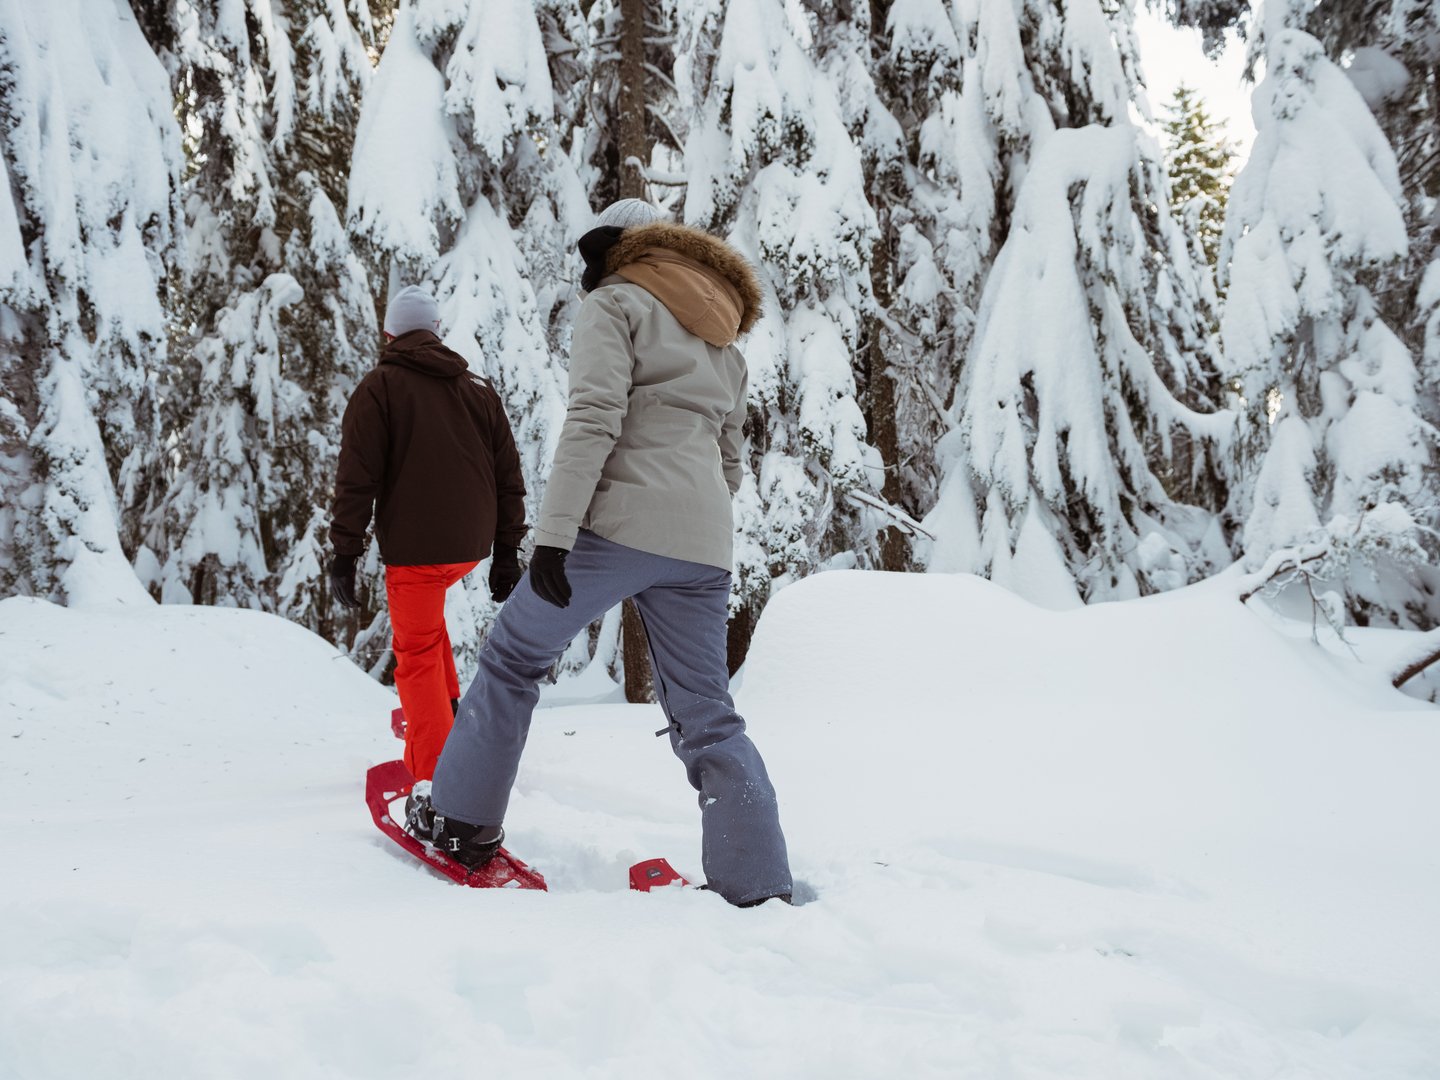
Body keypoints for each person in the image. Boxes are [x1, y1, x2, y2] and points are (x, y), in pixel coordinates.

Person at [414, 200, 793, 907]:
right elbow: (730, 462)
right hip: (704, 544)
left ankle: (461, 825)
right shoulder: (723, 341)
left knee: (514, 657)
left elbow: (593, 419)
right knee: (709, 713)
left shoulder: (617, 305)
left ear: (623, 250)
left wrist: (554, 536)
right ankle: (758, 881)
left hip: (615, 528)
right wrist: (690, 519)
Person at [330, 285, 527, 786]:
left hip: (418, 551)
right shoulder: (478, 389)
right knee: (427, 630)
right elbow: (508, 475)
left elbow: (358, 477)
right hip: (470, 547)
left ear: (389, 333)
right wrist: (506, 553)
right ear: (437, 332)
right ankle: (452, 717)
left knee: (414, 657)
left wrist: (345, 553)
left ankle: (441, 781)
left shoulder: (380, 387)